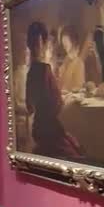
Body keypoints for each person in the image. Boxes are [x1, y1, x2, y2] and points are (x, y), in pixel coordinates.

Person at [25, 22, 84, 160]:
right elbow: (57, 106)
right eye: (50, 46)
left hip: (38, 129)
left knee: (75, 145)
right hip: (50, 132)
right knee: (78, 152)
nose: (51, 50)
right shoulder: (44, 69)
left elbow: (30, 106)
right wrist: (69, 100)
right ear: (41, 43)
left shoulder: (31, 70)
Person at [57, 25, 85, 93]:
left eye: (66, 41)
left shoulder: (78, 63)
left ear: (73, 41)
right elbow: (60, 81)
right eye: (63, 41)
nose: (64, 43)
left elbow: (78, 87)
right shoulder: (66, 60)